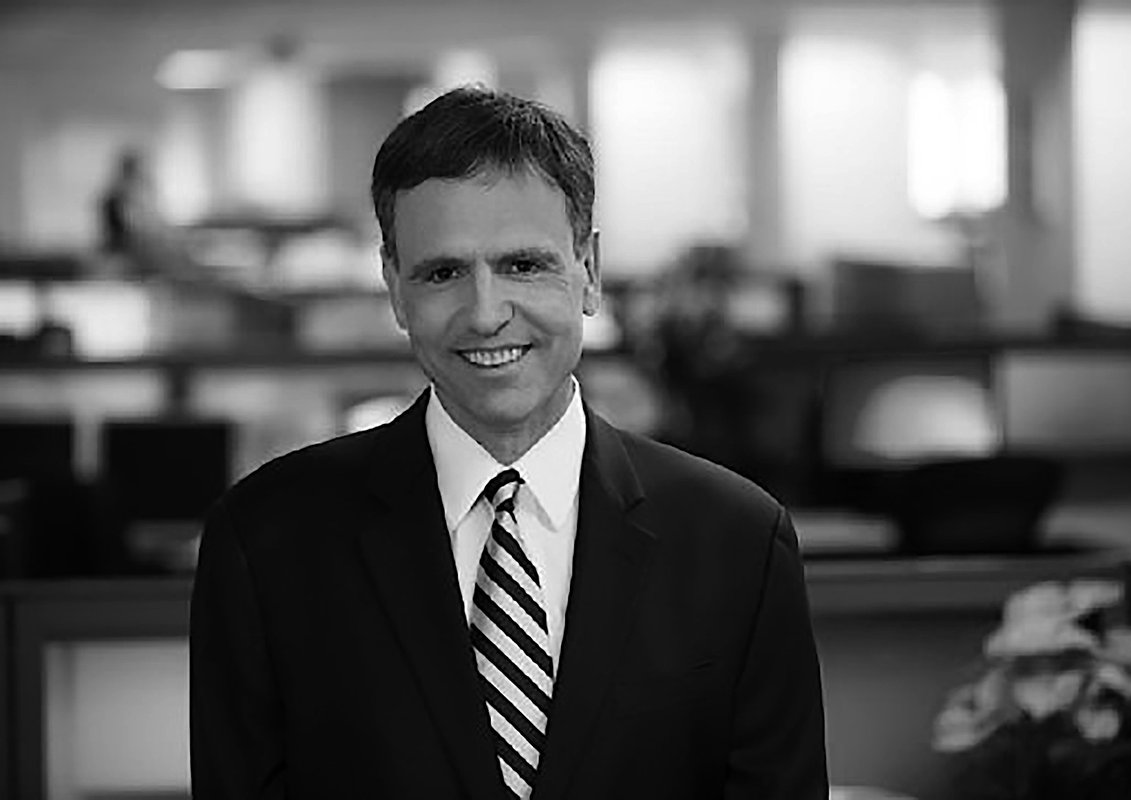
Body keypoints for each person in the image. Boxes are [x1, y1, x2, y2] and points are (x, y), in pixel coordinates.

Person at [189, 86, 828, 799]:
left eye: (523, 265)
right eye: (443, 273)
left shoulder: (738, 541)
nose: (486, 313)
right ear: (395, 289)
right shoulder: (267, 540)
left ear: (589, 271)